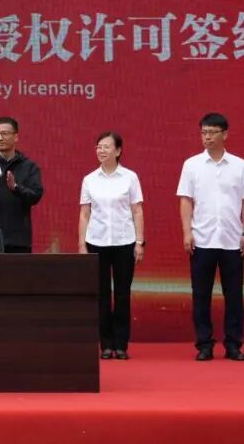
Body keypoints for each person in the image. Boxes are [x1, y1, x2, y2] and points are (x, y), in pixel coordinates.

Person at [177, 112, 244, 361]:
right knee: (201, 295)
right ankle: (204, 344)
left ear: (225, 134)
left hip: (232, 240)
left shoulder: (240, 165)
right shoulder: (191, 165)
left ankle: (233, 344)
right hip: (202, 239)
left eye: (212, 132)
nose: (207, 137)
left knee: (234, 295)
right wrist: (187, 232)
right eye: (204, 133)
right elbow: (185, 200)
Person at [78, 132, 145, 360]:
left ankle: (121, 344)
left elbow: (137, 210)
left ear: (118, 151)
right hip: (96, 241)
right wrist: (82, 244)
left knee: (123, 294)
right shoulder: (89, 179)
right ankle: (106, 344)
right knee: (102, 294)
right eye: (98, 146)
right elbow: (84, 214)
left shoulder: (130, 177)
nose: (101, 150)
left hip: (124, 241)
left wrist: (139, 242)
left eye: (106, 147)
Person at [0, 117, 44, 253]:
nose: (0, 138)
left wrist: (16, 188)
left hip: (18, 238)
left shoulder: (29, 166)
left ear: (16, 137)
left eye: (4, 134)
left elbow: (36, 196)